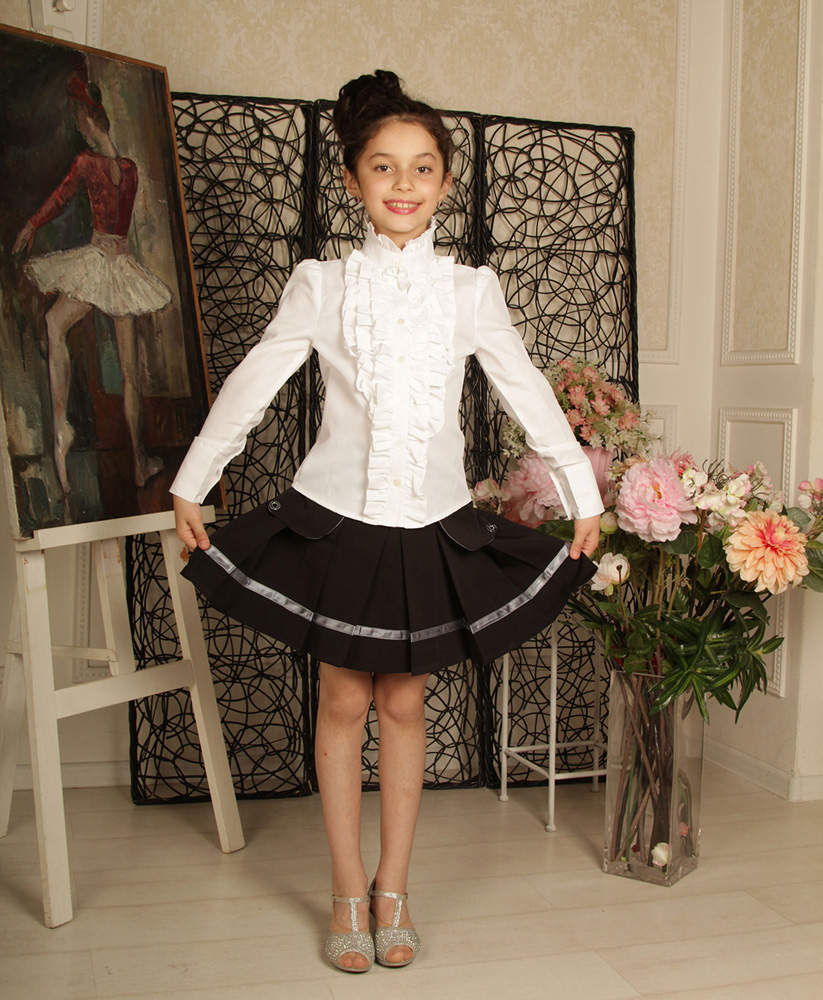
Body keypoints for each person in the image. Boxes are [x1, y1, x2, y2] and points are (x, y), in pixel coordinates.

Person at [171, 70, 603, 974]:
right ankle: (343, 886)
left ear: (445, 182)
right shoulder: (321, 284)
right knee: (342, 698)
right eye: (382, 166)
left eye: (421, 167)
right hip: (337, 518)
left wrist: (582, 493)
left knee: (404, 700)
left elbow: (523, 388)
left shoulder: (470, 290)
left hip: (432, 521)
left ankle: (393, 887)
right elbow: (257, 378)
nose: (402, 184)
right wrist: (194, 478)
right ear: (353, 180)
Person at [13, 72, 169, 494]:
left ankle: (62, 426)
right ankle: (139, 461)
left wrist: (31, 225)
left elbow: (60, 197)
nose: (79, 127)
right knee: (131, 372)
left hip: (100, 261)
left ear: (87, 119)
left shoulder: (86, 163)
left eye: (80, 120)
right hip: (121, 265)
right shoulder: (130, 170)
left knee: (54, 324)